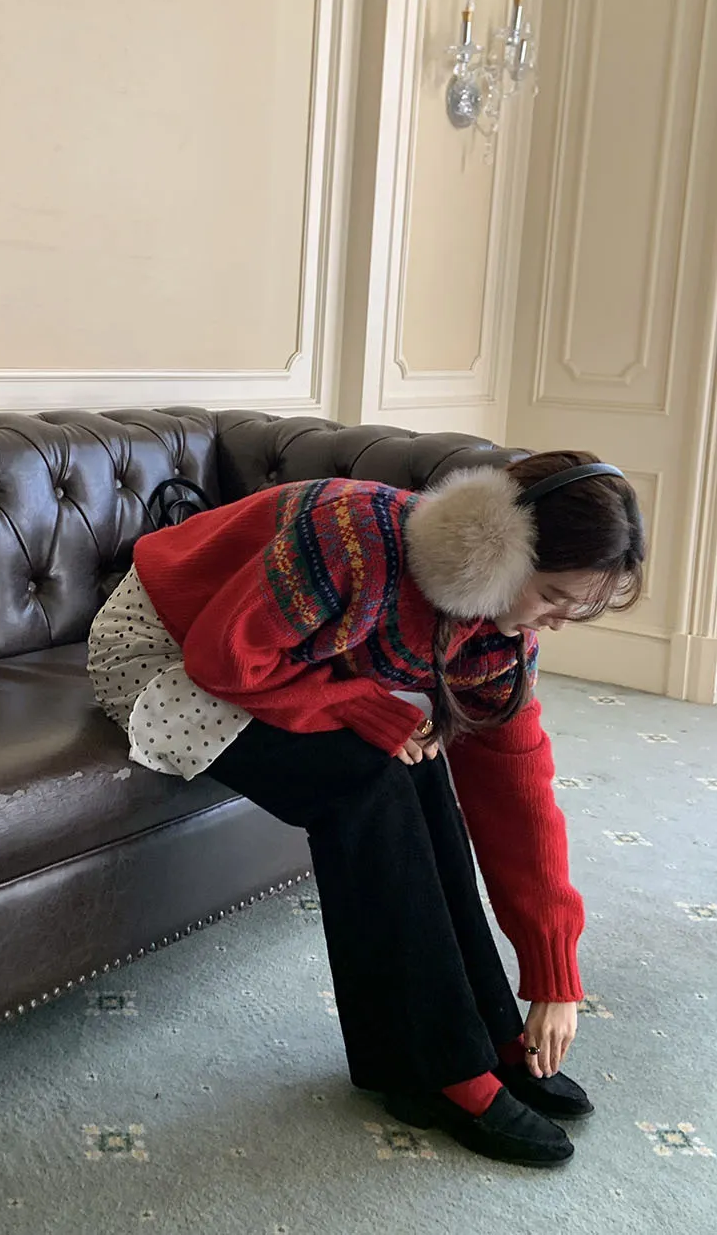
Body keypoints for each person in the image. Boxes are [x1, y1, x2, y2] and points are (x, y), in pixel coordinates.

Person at [86, 451, 645, 1168]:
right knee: (367, 784)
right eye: (553, 596)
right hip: (164, 649)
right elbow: (224, 660)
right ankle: (441, 1068)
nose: (557, 623)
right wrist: (356, 705)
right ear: (499, 548)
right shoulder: (350, 538)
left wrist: (552, 969)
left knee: (422, 760)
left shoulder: (500, 637)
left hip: (280, 660)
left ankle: (486, 1031)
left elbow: (518, 793)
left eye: (576, 610)